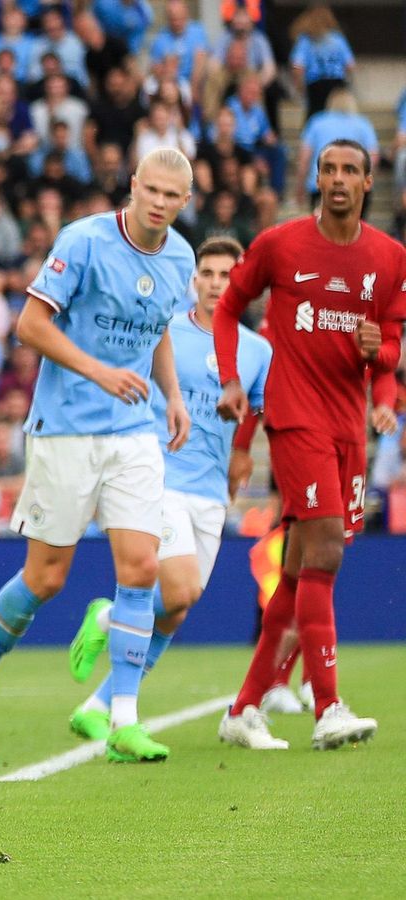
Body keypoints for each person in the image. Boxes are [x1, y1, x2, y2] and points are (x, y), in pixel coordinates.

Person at [0, 148, 196, 765]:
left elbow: (159, 327)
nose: (160, 202)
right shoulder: (83, 241)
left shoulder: (181, 257)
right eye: (152, 190)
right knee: (46, 579)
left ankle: (122, 720)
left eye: (172, 195)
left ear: (185, 202)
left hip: (133, 432)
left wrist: (171, 394)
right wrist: (99, 371)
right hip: (64, 430)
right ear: (133, 185)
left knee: (141, 568)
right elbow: (30, 326)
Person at [213, 139, 403, 751]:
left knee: (300, 571)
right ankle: (328, 707)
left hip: (349, 428)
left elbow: (390, 344)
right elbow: (228, 308)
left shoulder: (391, 257)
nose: (338, 178)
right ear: (316, 178)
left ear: (369, 182)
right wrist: (232, 379)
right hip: (295, 418)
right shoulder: (279, 244)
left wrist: (381, 364)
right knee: (324, 552)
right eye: (329, 169)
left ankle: (244, 707)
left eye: (350, 170)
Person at [63, 238, 272, 740]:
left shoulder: (257, 350)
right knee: (179, 589)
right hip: (158, 478)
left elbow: (255, 409)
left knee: (176, 609)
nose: (216, 284)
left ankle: (96, 704)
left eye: (227, 275)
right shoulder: (165, 332)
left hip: (211, 491)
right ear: (194, 280)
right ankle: (109, 618)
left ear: (242, 284)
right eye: (208, 274)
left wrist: (242, 453)